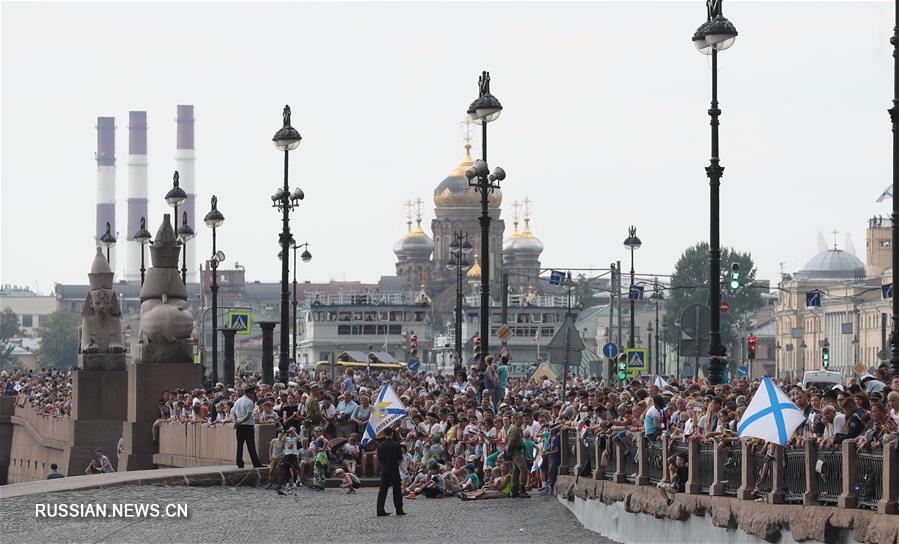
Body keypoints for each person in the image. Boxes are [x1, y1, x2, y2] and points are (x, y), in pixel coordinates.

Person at [376, 426, 406, 517]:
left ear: (385, 434)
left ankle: (380, 510)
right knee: (397, 490)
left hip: (385, 469)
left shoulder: (380, 445)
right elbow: (400, 459)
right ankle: (399, 509)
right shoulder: (396, 444)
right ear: (392, 433)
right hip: (394, 469)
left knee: (382, 490)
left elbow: (379, 459)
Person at [232, 384, 264, 468]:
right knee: (251, 445)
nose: (254, 395)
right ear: (250, 393)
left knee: (240, 445)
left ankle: (239, 463)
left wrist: (236, 421)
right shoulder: (249, 402)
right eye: (253, 393)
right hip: (247, 426)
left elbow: (233, 412)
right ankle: (256, 463)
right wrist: (238, 422)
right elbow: (248, 416)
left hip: (239, 426)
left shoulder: (238, 401)